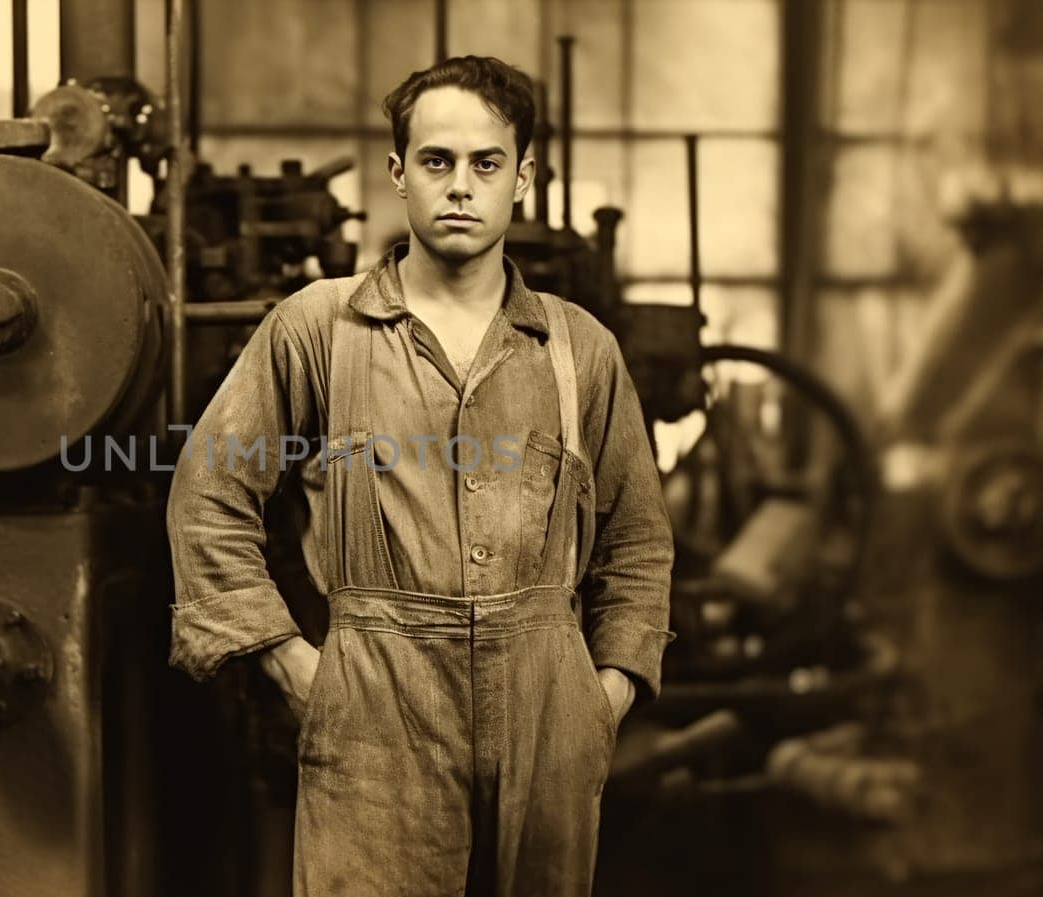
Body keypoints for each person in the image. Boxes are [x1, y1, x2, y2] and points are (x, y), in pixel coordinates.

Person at [165, 55, 674, 897]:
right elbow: (209, 496)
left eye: (486, 164)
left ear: (524, 177)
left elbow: (636, 535)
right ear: (398, 174)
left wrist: (605, 692)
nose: (461, 187)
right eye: (437, 162)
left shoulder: (580, 347)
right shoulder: (318, 328)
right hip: (376, 697)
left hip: (549, 696)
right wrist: (290, 662)